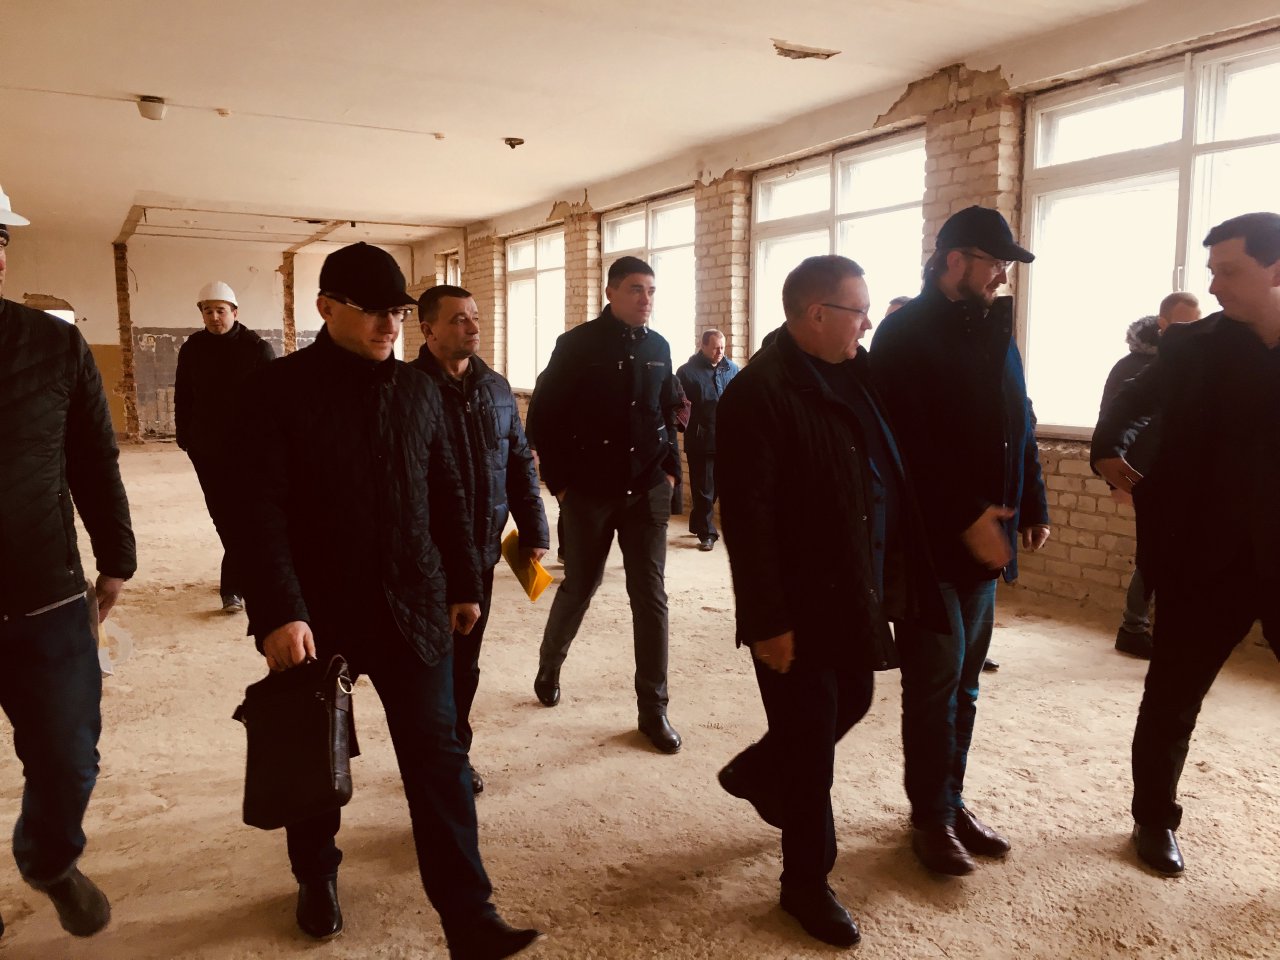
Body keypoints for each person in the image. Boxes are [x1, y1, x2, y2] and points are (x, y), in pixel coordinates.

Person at [238, 242, 540, 958]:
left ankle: (470, 916)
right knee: (315, 755)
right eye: (373, 311)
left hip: (413, 603)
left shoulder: (416, 390)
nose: (389, 325)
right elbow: (256, 511)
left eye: (398, 313)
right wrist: (279, 610)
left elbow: (446, 490)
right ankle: (316, 875)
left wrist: (463, 582)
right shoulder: (277, 390)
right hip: (318, 613)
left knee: (439, 757)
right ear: (325, 308)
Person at [716, 255, 945, 948]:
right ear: (817, 314)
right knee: (812, 746)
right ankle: (805, 885)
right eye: (858, 311)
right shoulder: (758, 393)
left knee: (855, 699)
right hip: (797, 602)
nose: (867, 324)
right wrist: (768, 622)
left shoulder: (854, 375)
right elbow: (747, 519)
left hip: (853, 588)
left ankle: (758, 772)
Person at [1092, 212, 1280, 877]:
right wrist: (1106, 452)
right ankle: (1153, 819)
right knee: (1172, 698)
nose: (1215, 284)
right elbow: (1128, 403)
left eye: (1229, 271)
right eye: (1212, 271)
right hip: (1204, 556)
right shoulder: (1192, 346)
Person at [870, 206, 1050, 877]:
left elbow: (1018, 419)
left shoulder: (995, 328)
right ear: (956, 260)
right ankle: (930, 818)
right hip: (930, 546)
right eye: (994, 262)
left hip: (986, 541)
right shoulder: (903, 335)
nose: (1002, 275)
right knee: (935, 683)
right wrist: (967, 516)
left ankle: (951, 799)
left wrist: (1032, 501)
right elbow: (902, 449)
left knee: (966, 683)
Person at [0, 184, 136, 938]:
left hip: (45, 596)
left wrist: (115, 557)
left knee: (68, 756)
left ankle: (50, 861)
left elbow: (92, 455)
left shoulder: (53, 345)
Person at [526, 256, 683, 753]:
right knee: (581, 585)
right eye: (636, 289)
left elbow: (668, 409)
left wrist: (670, 473)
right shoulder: (576, 345)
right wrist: (561, 485)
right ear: (611, 292)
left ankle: (653, 710)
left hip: (646, 491)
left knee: (651, 597)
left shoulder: (659, 347)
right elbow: (543, 418)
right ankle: (550, 666)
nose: (645, 299)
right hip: (589, 493)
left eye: (651, 290)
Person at [412, 284, 549, 796]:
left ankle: (456, 752)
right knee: (430, 665)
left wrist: (533, 528)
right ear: (427, 329)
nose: (473, 327)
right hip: (426, 558)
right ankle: (432, 756)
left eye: (474, 316)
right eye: (458, 319)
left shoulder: (496, 388)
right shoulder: (407, 391)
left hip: (482, 552)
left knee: (465, 663)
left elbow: (519, 463)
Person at [1099, 292, 1201, 659]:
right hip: (1142, 476)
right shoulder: (1133, 368)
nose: (1191, 330)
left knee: (1165, 551)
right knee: (1154, 552)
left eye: (1196, 322)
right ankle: (1133, 628)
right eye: (1184, 323)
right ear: (1162, 323)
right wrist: (1118, 480)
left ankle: (1146, 626)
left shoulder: (1190, 366)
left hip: (1177, 479)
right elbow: (1112, 423)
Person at [175, 281, 274, 612]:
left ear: (235, 312)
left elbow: (272, 404)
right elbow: (183, 394)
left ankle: (233, 586)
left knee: (244, 516)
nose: (214, 317)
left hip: (248, 452)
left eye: (221, 310)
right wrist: (185, 437)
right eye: (208, 311)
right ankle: (242, 576)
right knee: (223, 517)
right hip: (207, 450)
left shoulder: (257, 348)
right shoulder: (192, 349)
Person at [676, 329, 739, 551]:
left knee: (718, 486)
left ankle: (697, 521)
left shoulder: (732, 369)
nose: (720, 352)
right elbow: (680, 406)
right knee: (703, 488)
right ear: (702, 346)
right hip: (700, 439)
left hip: (725, 438)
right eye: (715, 348)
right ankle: (707, 533)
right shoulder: (687, 372)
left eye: (722, 347)